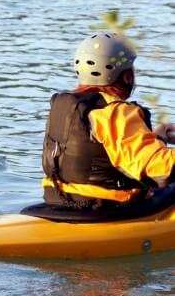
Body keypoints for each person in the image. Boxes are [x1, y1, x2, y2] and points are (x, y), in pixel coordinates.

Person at [42, 32, 175, 209]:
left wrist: (156, 138)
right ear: (126, 76)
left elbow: (102, 150)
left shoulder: (67, 106)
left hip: (61, 202)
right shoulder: (115, 112)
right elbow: (161, 169)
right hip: (106, 209)